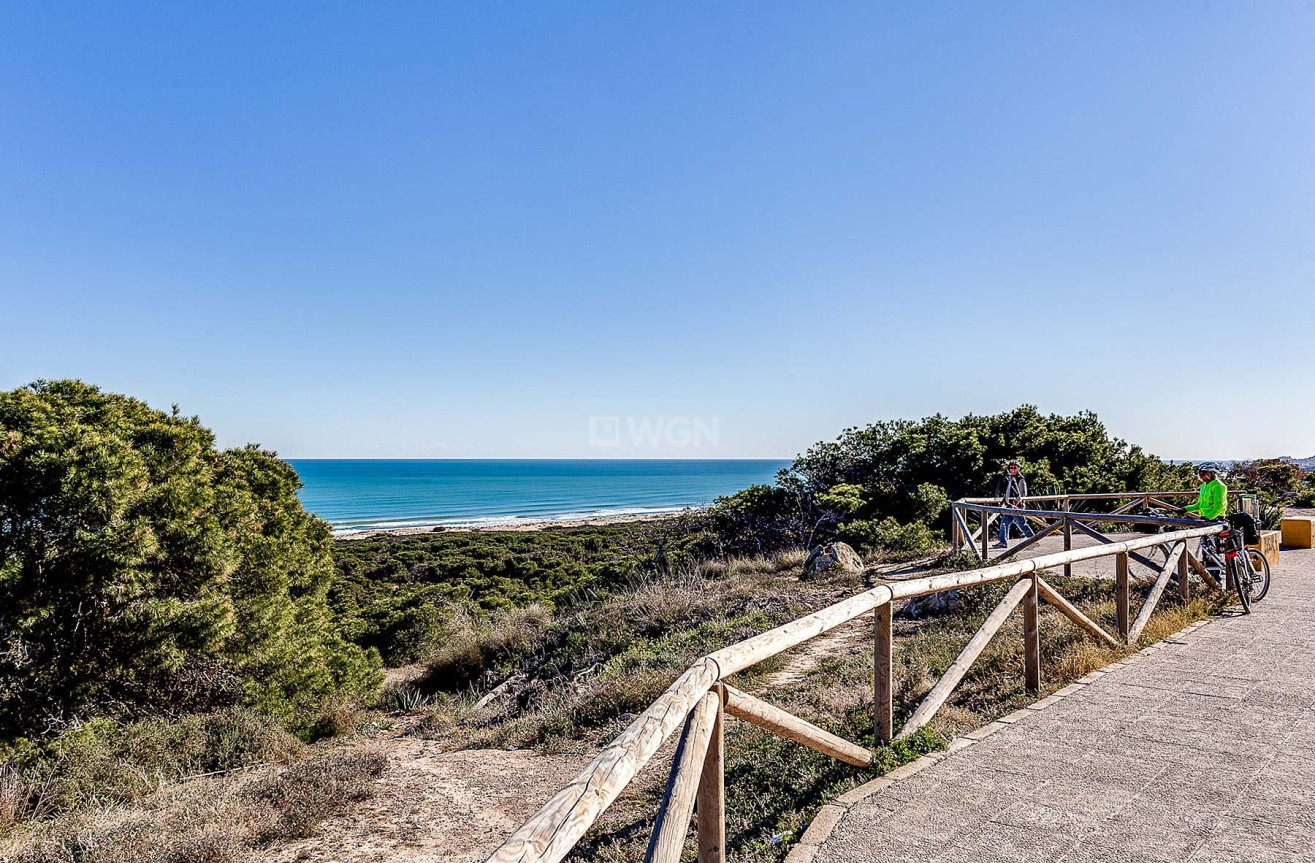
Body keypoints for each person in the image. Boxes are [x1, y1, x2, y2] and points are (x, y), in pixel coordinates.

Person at [992, 460, 1034, 548]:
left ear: (1018, 468)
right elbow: (1008, 492)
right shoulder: (1010, 478)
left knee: (1021, 524)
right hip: (1009, 505)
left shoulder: (1021, 479)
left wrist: (1018, 503)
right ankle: (1003, 542)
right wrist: (1003, 501)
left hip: (1017, 506)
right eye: (1011, 467)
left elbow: (1023, 494)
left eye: (1014, 467)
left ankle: (1033, 539)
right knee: (1004, 523)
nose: (1012, 469)